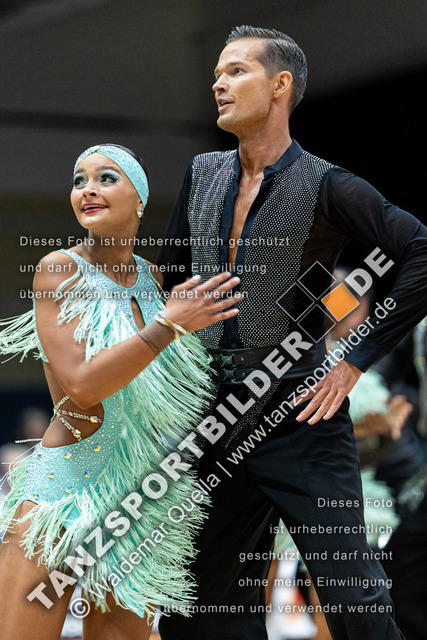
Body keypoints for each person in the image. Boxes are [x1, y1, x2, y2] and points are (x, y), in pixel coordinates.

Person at [156, 26, 427, 640]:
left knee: (354, 601)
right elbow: (170, 279)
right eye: (216, 74)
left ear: (280, 85)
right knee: (196, 607)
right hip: (211, 416)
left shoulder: (328, 184)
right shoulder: (202, 172)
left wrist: (355, 359)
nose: (218, 84)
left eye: (235, 71)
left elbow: (420, 251)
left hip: (298, 413)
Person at [0, 143, 241, 640]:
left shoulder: (158, 283)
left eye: (106, 178)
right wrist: (168, 327)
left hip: (139, 500)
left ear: (140, 200)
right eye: (79, 180)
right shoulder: (59, 269)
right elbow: (82, 387)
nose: (87, 189)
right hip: (63, 491)